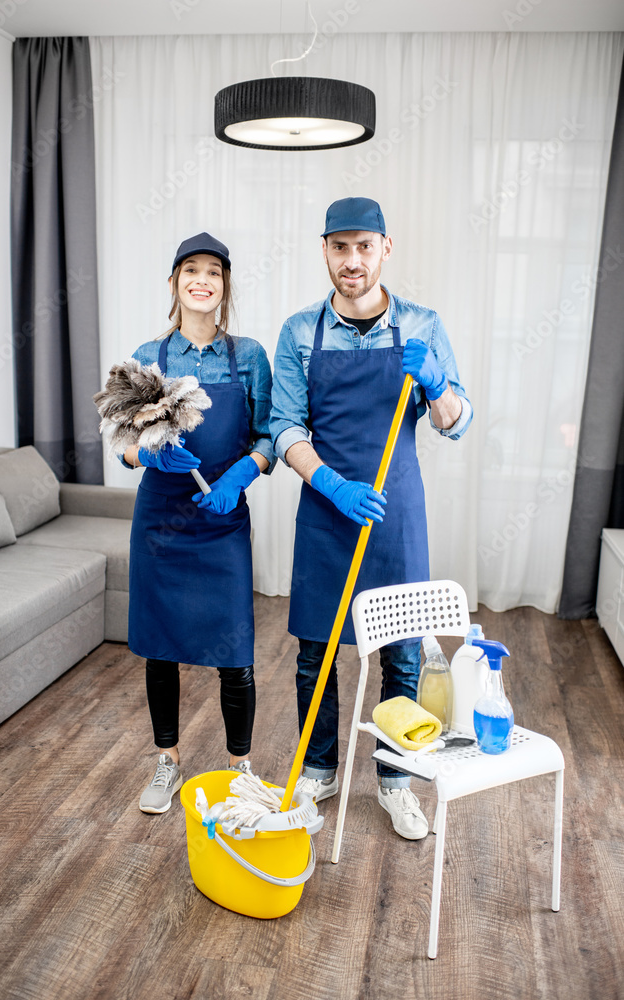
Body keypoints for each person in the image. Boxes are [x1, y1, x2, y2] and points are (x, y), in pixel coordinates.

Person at [270, 198, 472, 839]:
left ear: (387, 248)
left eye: (364, 247)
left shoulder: (422, 325)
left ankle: (394, 779)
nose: (351, 261)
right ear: (324, 250)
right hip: (326, 510)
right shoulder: (301, 331)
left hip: (395, 509)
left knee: (403, 654)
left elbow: (458, 422)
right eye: (339, 247)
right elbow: (283, 426)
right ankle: (320, 767)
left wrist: (437, 386)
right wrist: (328, 481)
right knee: (316, 651)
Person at [122, 233, 275, 814]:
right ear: (174, 283)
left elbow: (267, 434)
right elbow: (123, 442)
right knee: (161, 650)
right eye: (191, 270)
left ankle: (241, 770)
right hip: (162, 520)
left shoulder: (251, 357)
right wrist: (148, 455)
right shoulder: (148, 357)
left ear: (225, 285)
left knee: (236, 652)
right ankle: (168, 761)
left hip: (222, 520)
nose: (202, 280)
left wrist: (241, 474)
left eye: (214, 271)